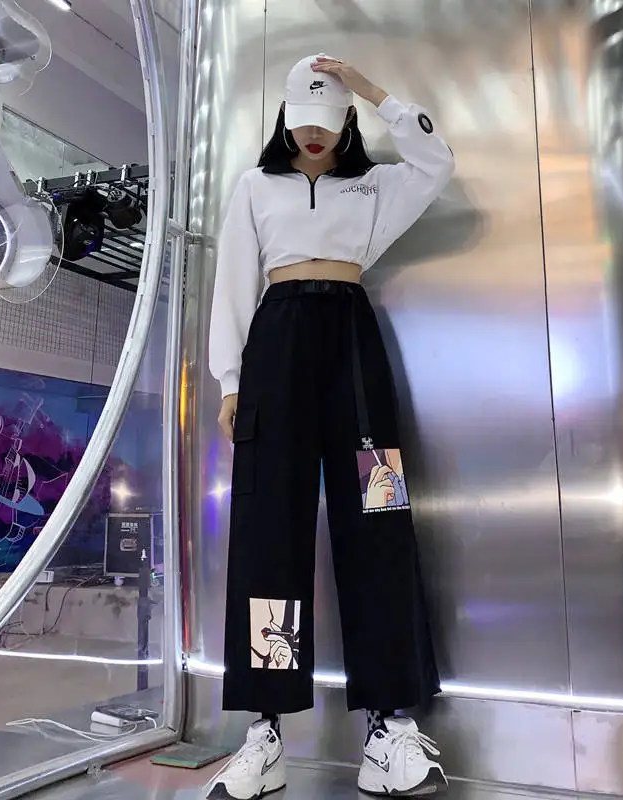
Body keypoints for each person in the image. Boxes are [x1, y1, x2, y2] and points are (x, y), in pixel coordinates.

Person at [204, 53, 455, 799]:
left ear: (346, 121)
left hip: (353, 349)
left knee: (380, 521)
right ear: (285, 118)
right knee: (268, 535)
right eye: (303, 121)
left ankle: (389, 726)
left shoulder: (373, 186)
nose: (313, 136)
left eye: (329, 121)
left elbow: (436, 160)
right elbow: (233, 281)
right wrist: (230, 381)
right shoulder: (255, 186)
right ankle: (266, 730)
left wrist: (375, 92)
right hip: (275, 349)